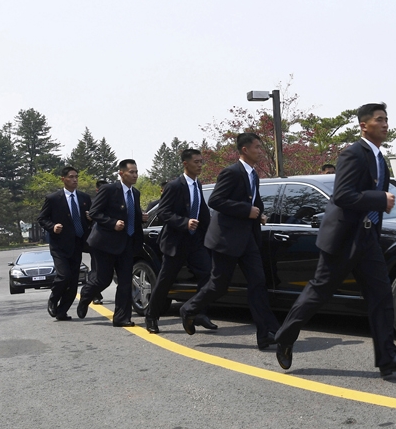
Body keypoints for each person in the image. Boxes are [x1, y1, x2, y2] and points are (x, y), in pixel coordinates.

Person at [274, 103, 396, 378]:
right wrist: (380, 199)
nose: (386, 124)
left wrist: (378, 208)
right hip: (343, 238)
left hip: (367, 237)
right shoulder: (353, 154)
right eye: (380, 120)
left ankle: (387, 358)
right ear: (364, 125)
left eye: (387, 119)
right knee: (319, 292)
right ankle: (284, 336)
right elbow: (342, 195)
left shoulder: (379, 158)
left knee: (381, 296)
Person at [178, 133, 280, 350]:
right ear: (245, 150)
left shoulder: (254, 175)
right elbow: (216, 200)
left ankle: (265, 334)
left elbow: (254, 201)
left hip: (248, 239)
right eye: (257, 147)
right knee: (218, 285)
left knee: (258, 283)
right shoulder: (231, 172)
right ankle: (189, 309)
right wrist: (246, 210)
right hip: (226, 238)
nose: (260, 151)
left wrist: (259, 213)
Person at [145, 149, 214, 334]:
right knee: (165, 282)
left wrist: (213, 231)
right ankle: (151, 316)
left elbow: (202, 211)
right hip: (175, 242)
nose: (200, 165)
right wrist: (185, 222)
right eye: (196, 162)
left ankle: (197, 313)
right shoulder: (174, 186)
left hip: (195, 242)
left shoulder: (198, 184)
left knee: (207, 276)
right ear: (185, 163)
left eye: (201, 162)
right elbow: (163, 212)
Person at [77, 160, 147, 326]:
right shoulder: (109, 190)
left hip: (127, 244)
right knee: (103, 280)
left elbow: (131, 216)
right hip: (105, 244)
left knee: (124, 282)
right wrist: (112, 223)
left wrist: (142, 218)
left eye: (136, 172)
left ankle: (122, 318)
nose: (135, 175)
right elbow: (94, 212)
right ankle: (86, 295)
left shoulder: (135, 193)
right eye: (131, 172)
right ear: (121, 173)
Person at [37, 166, 92, 321]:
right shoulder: (54, 198)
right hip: (59, 245)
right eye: (71, 177)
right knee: (64, 275)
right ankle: (53, 300)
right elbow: (42, 218)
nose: (75, 180)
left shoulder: (84, 198)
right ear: (63, 179)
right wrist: (52, 227)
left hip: (77, 244)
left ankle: (62, 311)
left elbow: (91, 218)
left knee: (74, 281)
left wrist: (90, 218)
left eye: (76, 177)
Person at [89, 179, 109, 305]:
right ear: (97, 190)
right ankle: (93, 293)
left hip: (113, 240)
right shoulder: (92, 203)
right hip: (97, 241)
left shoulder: (114, 202)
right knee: (97, 269)